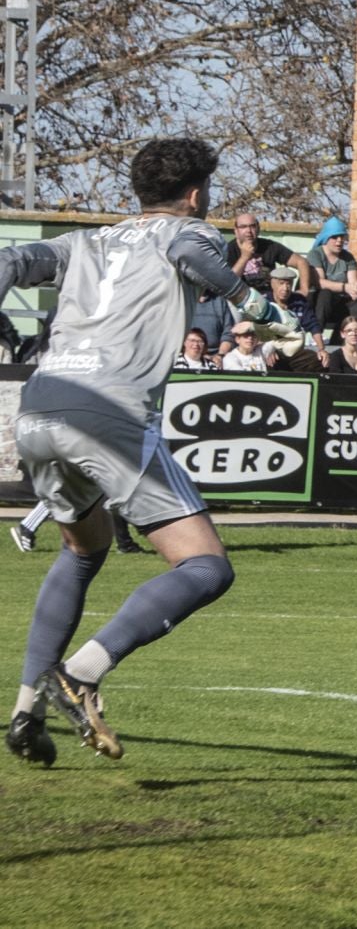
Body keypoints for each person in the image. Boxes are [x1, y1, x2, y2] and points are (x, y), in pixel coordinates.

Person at [5, 137, 285, 764]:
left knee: (84, 549)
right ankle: (79, 674)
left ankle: (25, 713)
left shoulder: (83, 241)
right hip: (109, 413)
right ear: (194, 195)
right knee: (207, 569)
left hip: (40, 408)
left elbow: (12, 262)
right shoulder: (190, 230)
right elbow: (189, 249)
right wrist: (250, 301)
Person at [308, 217, 357, 343]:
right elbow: (320, 282)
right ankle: (317, 335)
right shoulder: (315, 254)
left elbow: (353, 280)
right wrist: (345, 287)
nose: (339, 241)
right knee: (326, 293)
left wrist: (355, 288)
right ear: (326, 238)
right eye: (335, 237)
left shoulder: (348, 257)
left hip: (340, 304)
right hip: (320, 304)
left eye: (342, 237)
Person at [226, 212, 310, 294]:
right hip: (241, 299)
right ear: (236, 231)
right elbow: (228, 282)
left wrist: (304, 289)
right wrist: (244, 257)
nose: (249, 231)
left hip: (270, 298)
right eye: (243, 227)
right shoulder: (228, 250)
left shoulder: (269, 246)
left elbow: (301, 262)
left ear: (258, 229)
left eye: (252, 226)